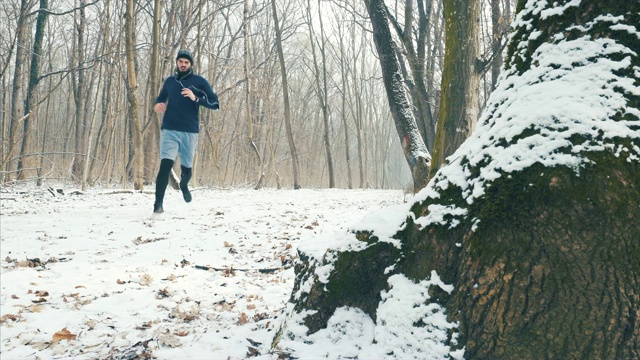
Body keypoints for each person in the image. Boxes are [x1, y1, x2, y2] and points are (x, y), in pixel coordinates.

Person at [152, 49, 219, 214]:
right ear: (176, 63)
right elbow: (161, 98)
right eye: (180, 61)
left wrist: (195, 98)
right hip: (169, 129)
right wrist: (157, 105)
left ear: (191, 64)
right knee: (165, 166)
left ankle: (184, 184)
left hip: (189, 131)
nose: (183, 64)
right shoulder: (170, 81)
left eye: (186, 62)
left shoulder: (199, 82)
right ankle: (158, 206)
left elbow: (215, 103)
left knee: (187, 168)